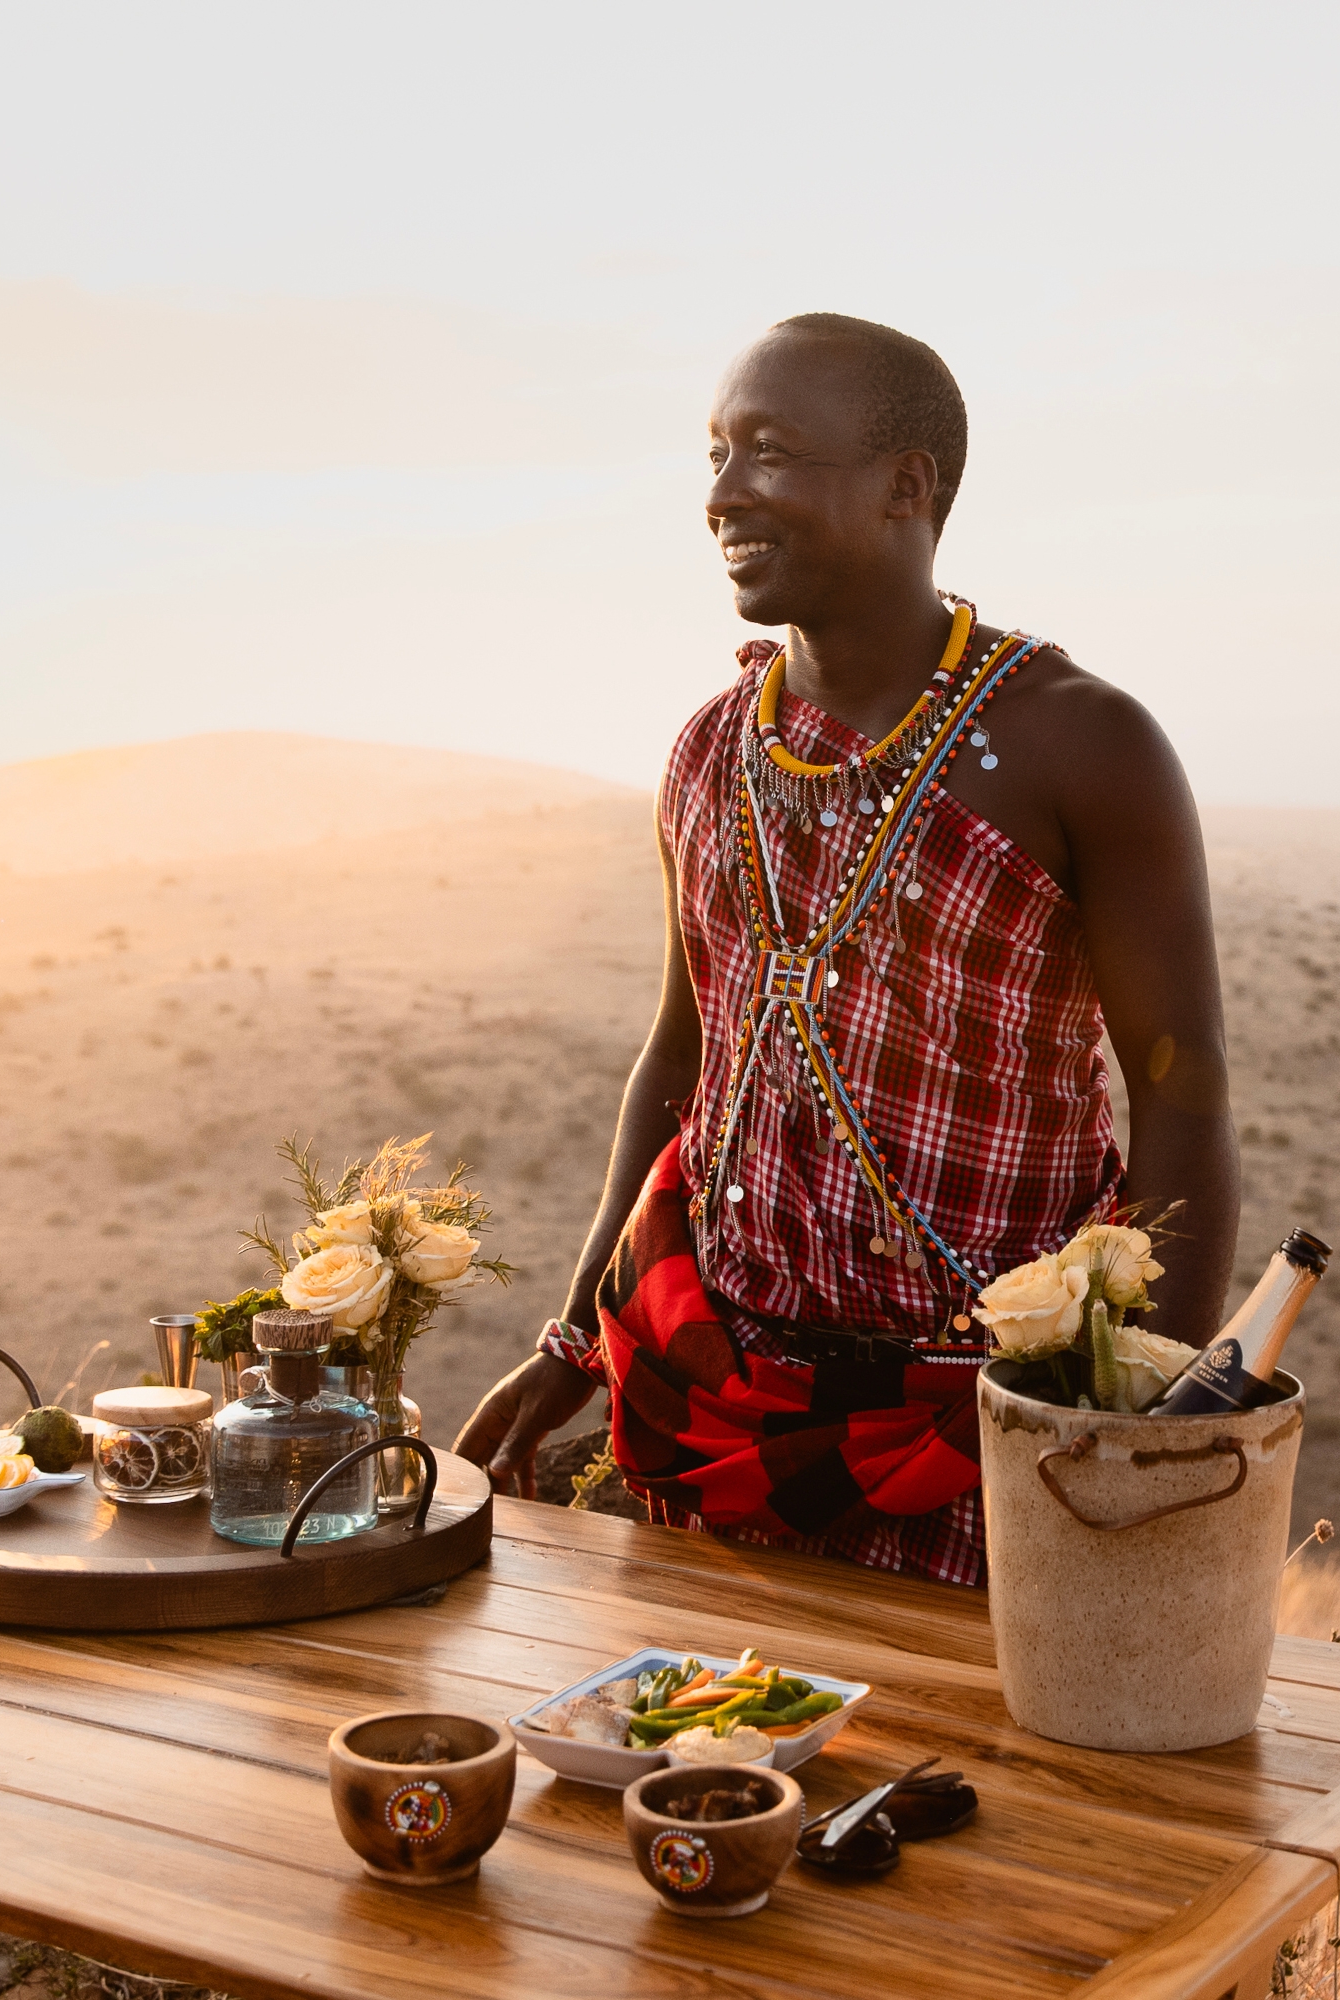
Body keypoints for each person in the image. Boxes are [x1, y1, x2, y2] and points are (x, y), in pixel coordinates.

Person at [454, 312, 1238, 1584]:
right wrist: (572, 1344)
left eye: (766, 449)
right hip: (716, 1412)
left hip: (997, 1430)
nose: (720, 494)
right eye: (712, 453)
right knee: (715, 1763)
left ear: (904, 486)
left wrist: (1136, 1420)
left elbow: (1181, 1088)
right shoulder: (712, 747)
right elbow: (682, 1056)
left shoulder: (1079, 744)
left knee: (983, 1782)